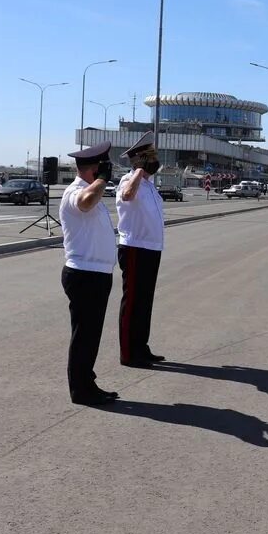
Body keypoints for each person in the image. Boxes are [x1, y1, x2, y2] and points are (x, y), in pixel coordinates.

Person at [59, 141, 119, 405]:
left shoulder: (91, 189)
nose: (107, 171)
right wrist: (102, 180)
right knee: (84, 336)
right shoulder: (75, 192)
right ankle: (81, 391)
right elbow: (85, 203)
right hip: (84, 275)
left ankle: (87, 383)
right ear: (95, 168)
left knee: (90, 336)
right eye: (104, 166)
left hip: (96, 274)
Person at [117, 132, 166, 369]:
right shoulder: (129, 181)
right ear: (140, 160)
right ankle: (128, 353)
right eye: (150, 156)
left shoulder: (149, 186)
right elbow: (127, 196)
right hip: (135, 248)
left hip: (151, 249)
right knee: (133, 302)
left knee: (144, 302)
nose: (155, 160)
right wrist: (137, 170)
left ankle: (141, 347)